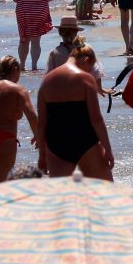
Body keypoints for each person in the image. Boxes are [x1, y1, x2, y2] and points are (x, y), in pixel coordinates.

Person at [37, 44, 112, 180]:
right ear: (85, 59)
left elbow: (41, 122)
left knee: (61, 196)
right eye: (91, 67)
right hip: (85, 140)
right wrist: (108, 148)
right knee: (104, 191)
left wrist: (42, 154)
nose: (90, 72)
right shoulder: (85, 79)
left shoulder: (46, 82)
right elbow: (96, 119)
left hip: (56, 143)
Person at [12, 0, 56, 72]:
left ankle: (22, 65)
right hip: (40, 12)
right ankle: (34, 66)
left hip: (24, 12)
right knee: (36, 41)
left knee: (23, 39)